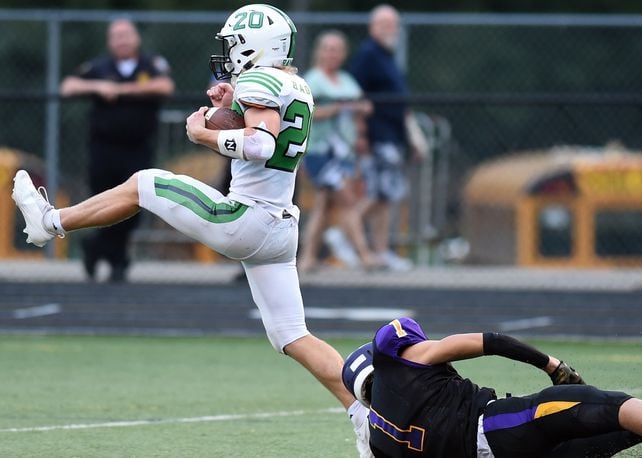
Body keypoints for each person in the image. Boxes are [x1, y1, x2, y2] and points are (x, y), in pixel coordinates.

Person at [14, 5, 370, 456]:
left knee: (145, 182)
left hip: (248, 219)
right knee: (292, 336)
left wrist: (203, 135)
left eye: (232, 43)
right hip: (281, 225)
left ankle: (49, 222)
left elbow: (261, 144)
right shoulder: (295, 83)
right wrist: (230, 106)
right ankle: (365, 419)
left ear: (254, 44)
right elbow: (260, 128)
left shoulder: (261, 79)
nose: (227, 52)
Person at [342, 317, 642, 457]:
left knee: (629, 427)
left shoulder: (378, 435)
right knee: (611, 406)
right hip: (499, 428)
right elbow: (489, 341)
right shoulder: (404, 358)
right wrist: (552, 365)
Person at [60, 19, 175, 282]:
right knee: (102, 202)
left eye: (126, 34)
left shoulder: (151, 64)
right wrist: (98, 86)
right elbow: (68, 86)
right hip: (103, 149)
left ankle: (99, 248)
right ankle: (116, 259)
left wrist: (121, 90)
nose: (122, 40)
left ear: (136, 37)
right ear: (109, 41)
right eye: (116, 36)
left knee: (135, 204)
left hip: (138, 149)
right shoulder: (99, 67)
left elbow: (165, 86)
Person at [350, 4, 426, 272]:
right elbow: (354, 95)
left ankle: (381, 251)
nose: (390, 30)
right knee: (378, 192)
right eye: (385, 24)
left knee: (386, 196)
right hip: (377, 134)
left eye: (393, 24)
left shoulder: (388, 56)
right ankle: (349, 229)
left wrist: (413, 138)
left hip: (393, 134)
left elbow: (400, 101)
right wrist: (361, 132)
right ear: (373, 27)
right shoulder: (368, 54)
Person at [299, 30, 379, 273]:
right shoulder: (312, 80)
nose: (332, 54)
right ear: (319, 52)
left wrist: (361, 124)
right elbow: (307, 111)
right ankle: (364, 254)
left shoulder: (347, 80)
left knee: (324, 206)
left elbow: (361, 107)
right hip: (319, 150)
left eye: (337, 49)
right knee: (346, 199)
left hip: (343, 152)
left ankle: (307, 258)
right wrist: (337, 108)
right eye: (328, 48)